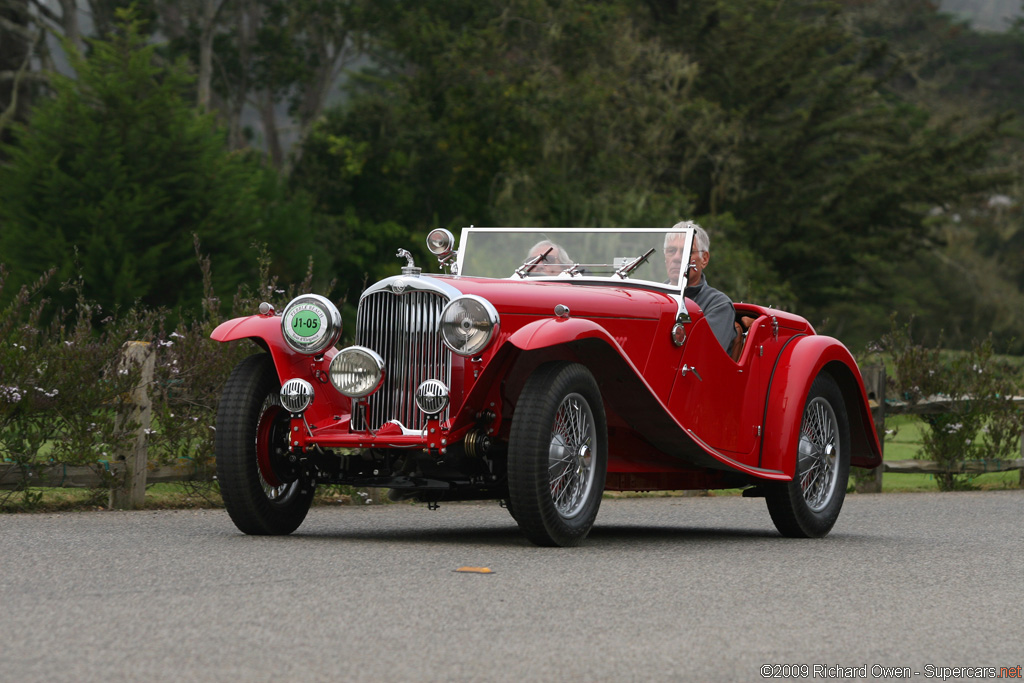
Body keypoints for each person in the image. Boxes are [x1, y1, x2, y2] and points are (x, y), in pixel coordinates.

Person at [665, 221, 736, 351]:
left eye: (686, 251)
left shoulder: (719, 305)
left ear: (704, 259)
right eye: (671, 251)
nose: (676, 258)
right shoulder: (650, 296)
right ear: (665, 257)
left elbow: (704, 355)